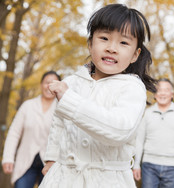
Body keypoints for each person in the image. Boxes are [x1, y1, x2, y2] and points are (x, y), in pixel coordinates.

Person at [38, 4, 156, 188]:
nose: (112, 48)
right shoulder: (72, 82)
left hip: (108, 179)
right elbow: (58, 123)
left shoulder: (132, 88)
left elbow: (119, 130)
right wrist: (51, 159)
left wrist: (70, 101)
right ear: (90, 43)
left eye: (123, 42)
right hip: (64, 178)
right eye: (104, 38)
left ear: (135, 54)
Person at [2, 70, 61, 188]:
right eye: (46, 82)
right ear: (41, 85)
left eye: (54, 83)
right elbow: (14, 133)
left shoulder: (62, 108)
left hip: (51, 164)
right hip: (25, 162)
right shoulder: (27, 106)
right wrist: (8, 158)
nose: (49, 86)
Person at [133, 78, 174, 188]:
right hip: (149, 165)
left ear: (172, 94)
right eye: (159, 90)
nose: (162, 93)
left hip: (173, 166)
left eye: (166, 90)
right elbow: (139, 139)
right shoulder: (147, 113)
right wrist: (136, 164)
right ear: (155, 95)